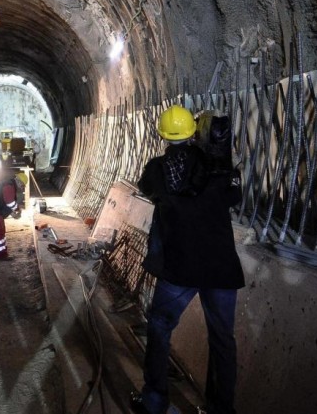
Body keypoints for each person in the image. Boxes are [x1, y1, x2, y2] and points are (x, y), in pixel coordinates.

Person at [131, 105, 244, 414]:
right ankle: (221, 409)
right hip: (220, 269)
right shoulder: (216, 169)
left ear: (163, 135)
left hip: (179, 269)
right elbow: (235, 197)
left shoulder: (157, 169)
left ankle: (154, 401)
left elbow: (146, 189)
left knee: (159, 327)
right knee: (222, 341)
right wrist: (221, 159)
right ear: (195, 132)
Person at [0, 171, 24, 260]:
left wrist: (13, 213)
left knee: (1, 232)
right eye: (22, 186)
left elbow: (5, 202)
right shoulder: (9, 186)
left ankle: (3, 254)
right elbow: (10, 202)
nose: (22, 188)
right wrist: (17, 209)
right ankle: (1, 257)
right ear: (19, 182)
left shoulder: (9, 184)